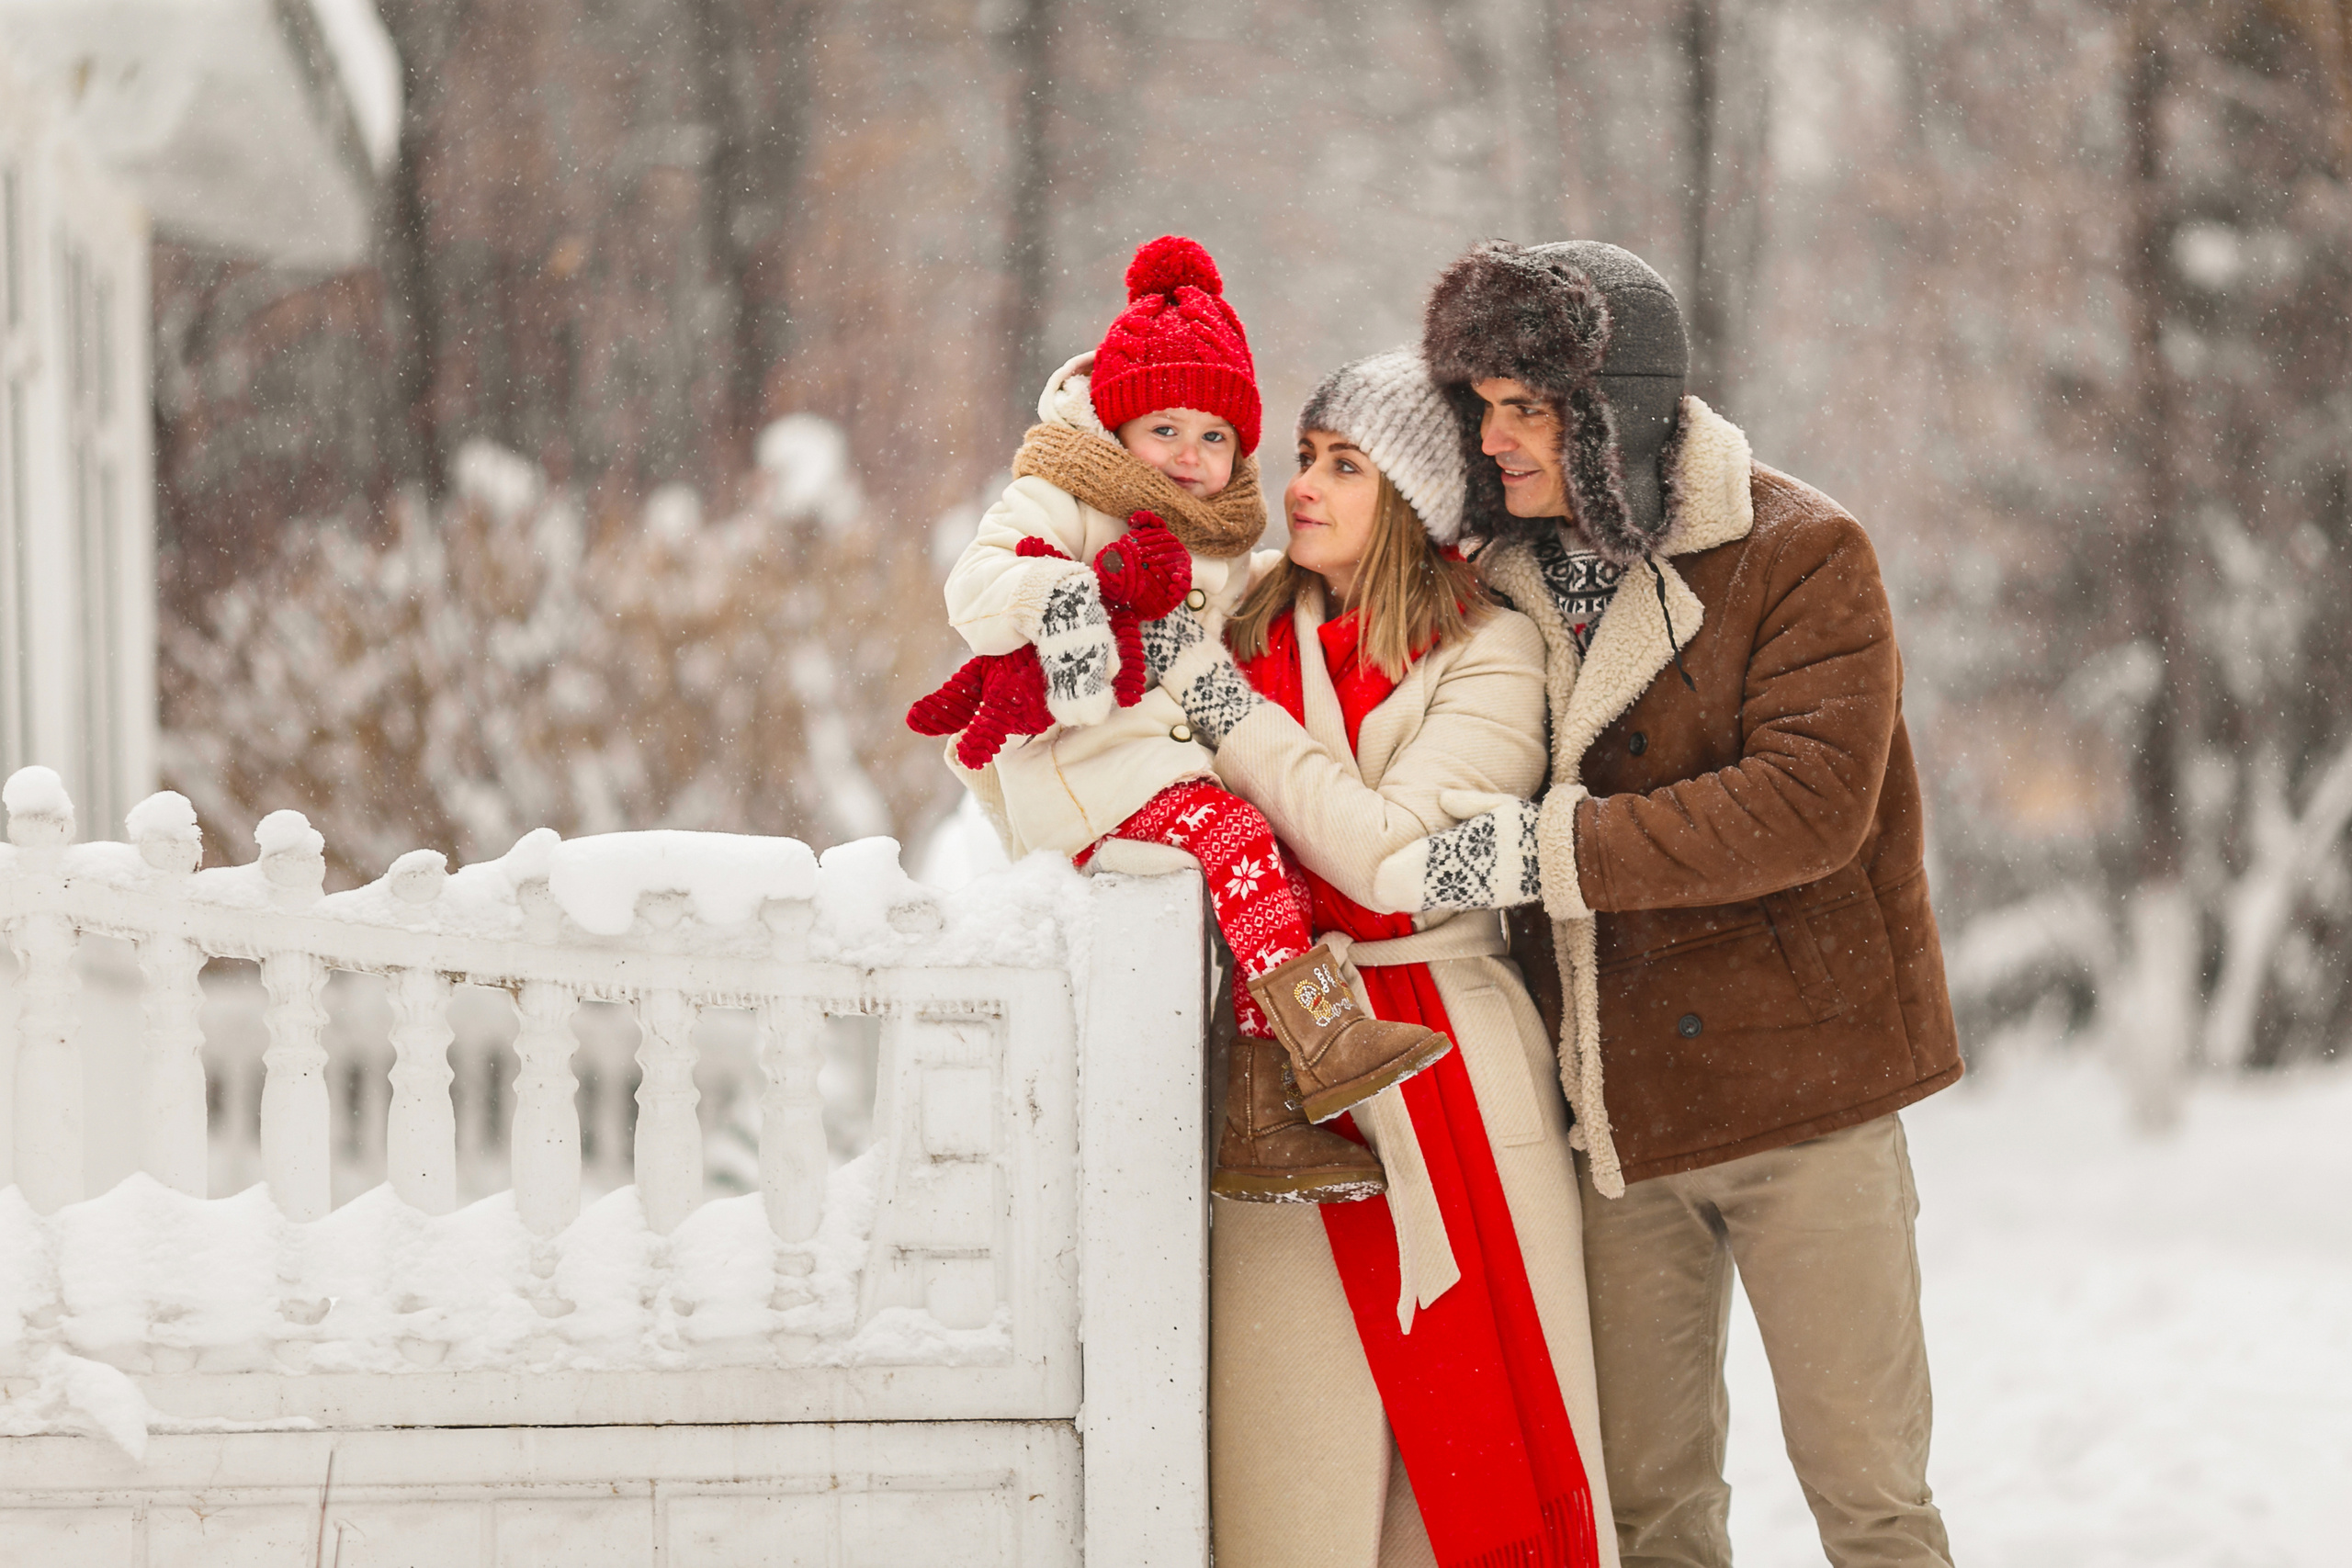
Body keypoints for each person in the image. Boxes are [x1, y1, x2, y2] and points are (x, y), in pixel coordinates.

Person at [1365, 240, 1962, 1568]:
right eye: (1485, 404)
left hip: (1807, 1107)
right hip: (1614, 1126)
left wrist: (1542, 853)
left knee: (1870, 1500)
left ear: (1613, 413)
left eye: (1531, 406)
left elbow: (1806, 803)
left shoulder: (1801, 553)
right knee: (1648, 1516)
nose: (1498, 436)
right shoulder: (1488, 582)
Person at [1155, 349, 1617, 1568]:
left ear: (1411, 498)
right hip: (1283, 1054)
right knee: (1286, 1465)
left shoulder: (1493, 655)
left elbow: (1383, 859)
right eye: (1305, 455)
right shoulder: (1239, 607)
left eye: (1344, 466)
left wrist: (1225, 711)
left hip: (1447, 1057)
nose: (1302, 484)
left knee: (1478, 1468)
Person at [933, 234, 1449, 1204]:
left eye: (1213, 437)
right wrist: (1073, 593)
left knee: (1274, 864)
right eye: (1164, 430)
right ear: (1118, 431)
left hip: (1160, 782)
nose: (1189, 457)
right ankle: (1324, 1037)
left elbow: (1234, 602)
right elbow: (976, 588)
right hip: (1084, 779)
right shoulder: (1065, 495)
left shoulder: (1215, 535)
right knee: (1238, 831)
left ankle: (1260, 1111)